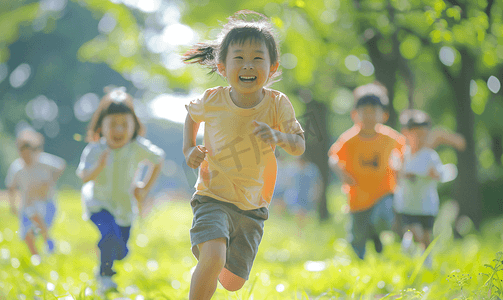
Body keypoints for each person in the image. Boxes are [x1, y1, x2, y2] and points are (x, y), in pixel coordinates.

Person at [182, 10, 305, 300]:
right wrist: (189, 148)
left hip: (252, 205)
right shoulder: (213, 99)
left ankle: (206, 269)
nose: (248, 65)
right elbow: (191, 115)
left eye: (257, 58)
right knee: (213, 258)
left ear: (272, 67)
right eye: (238, 58)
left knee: (233, 281)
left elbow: (299, 145)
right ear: (223, 66)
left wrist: (278, 137)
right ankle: (206, 267)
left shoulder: (277, 104)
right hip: (212, 195)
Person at [76, 86, 165, 294]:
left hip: (125, 207)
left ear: (134, 126)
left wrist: (144, 187)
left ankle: (106, 258)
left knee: (121, 251)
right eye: (113, 125)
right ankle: (105, 278)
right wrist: (98, 166)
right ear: (101, 127)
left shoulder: (137, 146)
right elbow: (83, 176)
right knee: (108, 235)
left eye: (124, 125)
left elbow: (158, 160)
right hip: (98, 203)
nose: (118, 130)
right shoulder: (96, 149)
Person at [328, 82, 406, 260]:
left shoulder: (390, 138)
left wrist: (400, 169)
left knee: (384, 219)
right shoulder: (349, 139)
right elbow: (333, 158)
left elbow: (404, 152)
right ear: (355, 115)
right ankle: (359, 266)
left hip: (383, 192)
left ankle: (375, 233)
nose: (369, 116)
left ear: (383, 115)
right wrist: (341, 174)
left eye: (374, 111)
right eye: (365, 112)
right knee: (357, 236)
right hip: (358, 196)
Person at [394, 109, 465, 268]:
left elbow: (441, 173)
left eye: (423, 135)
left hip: (426, 205)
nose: (420, 139)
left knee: (426, 236)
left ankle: (427, 264)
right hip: (407, 204)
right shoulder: (402, 154)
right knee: (414, 231)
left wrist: (435, 174)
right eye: (416, 134)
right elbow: (394, 170)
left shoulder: (430, 156)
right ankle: (409, 243)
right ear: (406, 133)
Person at [6, 128, 66, 256]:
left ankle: (49, 246)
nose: (26, 157)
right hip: (27, 204)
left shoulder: (42, 161)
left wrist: (49, 182)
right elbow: (11, 187)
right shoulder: (17, 167)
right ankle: (36, 257)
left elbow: (61, 165)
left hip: (46, 203)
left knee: (38, 223)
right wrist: (12, 205)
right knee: (27, 234)